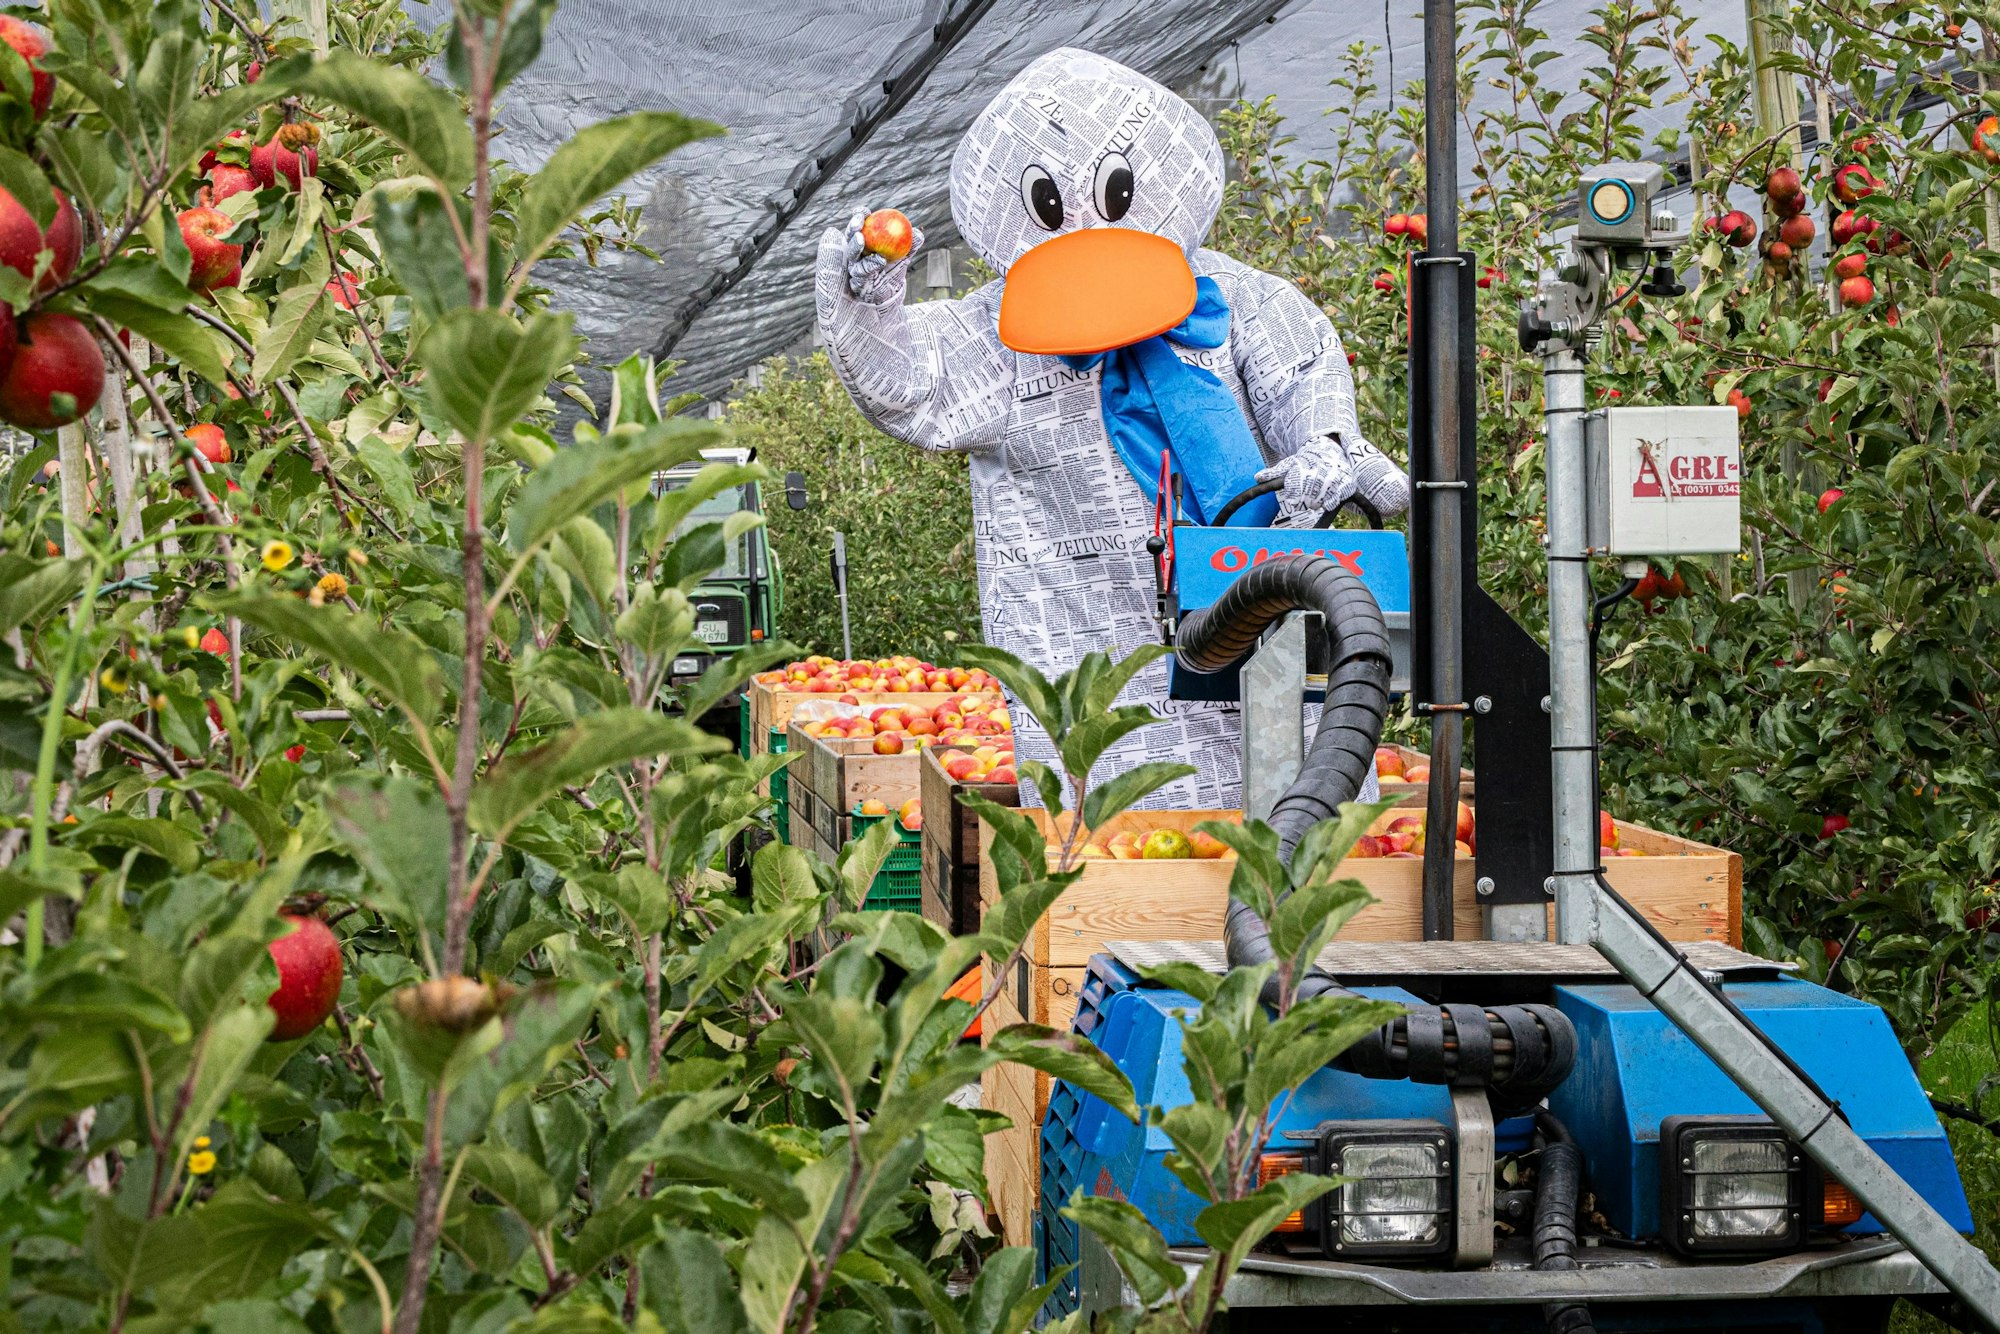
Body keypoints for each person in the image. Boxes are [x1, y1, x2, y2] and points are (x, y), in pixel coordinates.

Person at [814, 48, 1407, 809]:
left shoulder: (1240, 305)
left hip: (1273, 638)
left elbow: (1304, 375)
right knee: (1120, 858)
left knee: (1294, 826)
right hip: (1096, 661)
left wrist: (1326, 444)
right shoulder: (1004, 338)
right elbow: (915, 382)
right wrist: (870, 305)